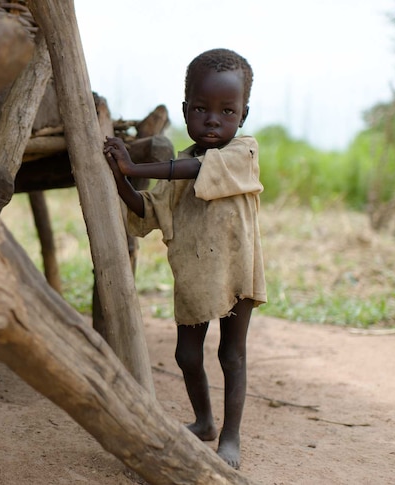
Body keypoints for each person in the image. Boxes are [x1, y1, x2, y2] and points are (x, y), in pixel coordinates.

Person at [102, 48, 267, 470]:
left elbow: (196, 171)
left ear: (243, 115)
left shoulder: (242, 155)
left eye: (227, 111)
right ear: (185, 110)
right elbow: (148, 211)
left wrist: (136, 168)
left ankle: (230, 438)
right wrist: (121, 179)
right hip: (195, 276)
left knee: (232, 355)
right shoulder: (180, 166)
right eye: (201, 108)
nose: (213, 119)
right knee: (186, 357)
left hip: (236, 275)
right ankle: (204, 420)